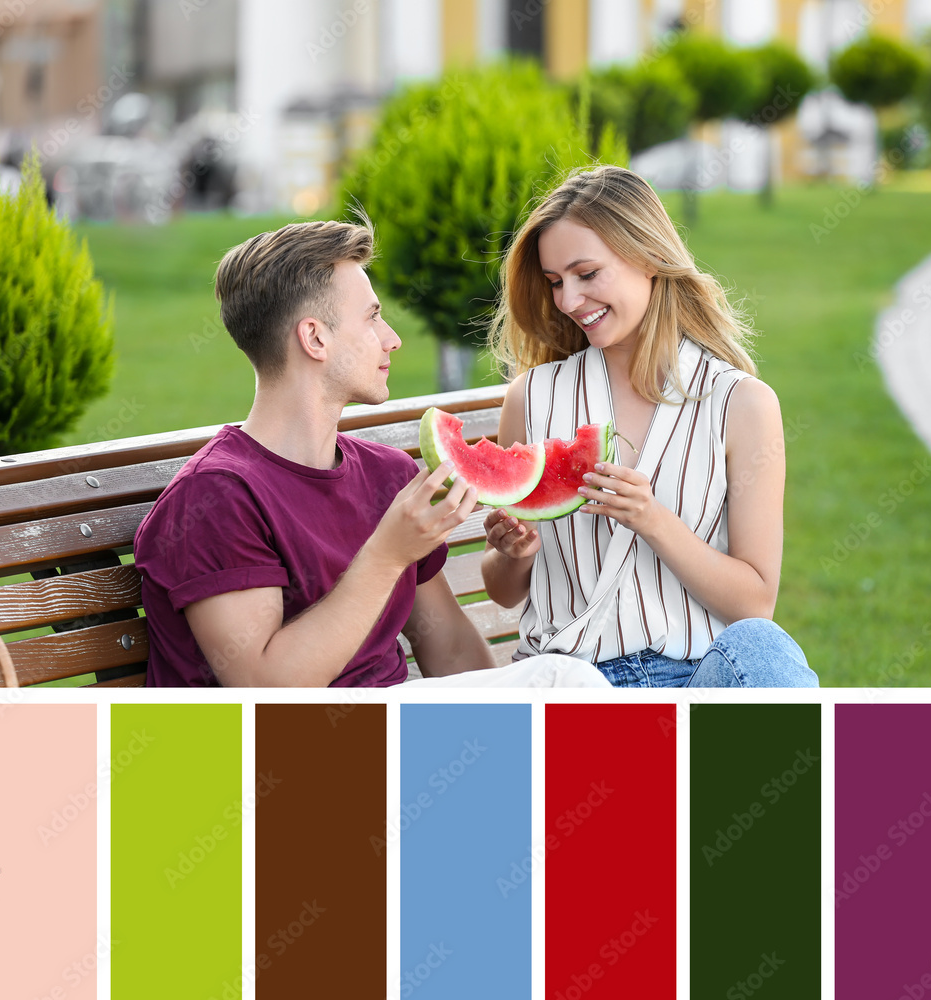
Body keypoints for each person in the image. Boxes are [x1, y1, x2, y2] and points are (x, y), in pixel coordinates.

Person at [134, 217, 609, 689]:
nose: (392, 338)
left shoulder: (386, 475)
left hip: (394, 730)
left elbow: (450, 646)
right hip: (272, 754)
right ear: (315, 338)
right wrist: (386, 554)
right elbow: (266, 692)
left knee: (563, 689)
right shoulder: (216, 498)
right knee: (563, 680)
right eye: (372, 317)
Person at [481, 165, 818, 688]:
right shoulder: (533, 397)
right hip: (567, 684)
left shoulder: (740, 403)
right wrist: (515, 555)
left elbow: (756, 602)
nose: (568, 301)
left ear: (648, 258)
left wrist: (652, 519)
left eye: (587, 274)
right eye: (554, 282)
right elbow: (503, 591)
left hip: (694, 680)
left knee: (764, 649)